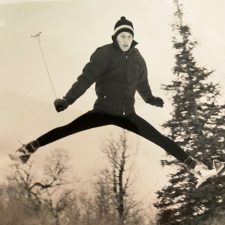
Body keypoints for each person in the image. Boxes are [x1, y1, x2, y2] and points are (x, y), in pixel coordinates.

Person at [10, 17, 224, 186]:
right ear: (115, 37)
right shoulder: (104, 54)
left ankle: (196, 167)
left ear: (133, 39)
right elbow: (85, 79)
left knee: (158, 138)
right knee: (69, 128)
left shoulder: (138, 58)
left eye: (129, 37)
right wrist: (67, 100)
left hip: (127, 114)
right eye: (122, 36)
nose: (125, 40)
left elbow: (142, 83)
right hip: (103, 111)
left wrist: (150, 99)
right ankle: (28, 149)